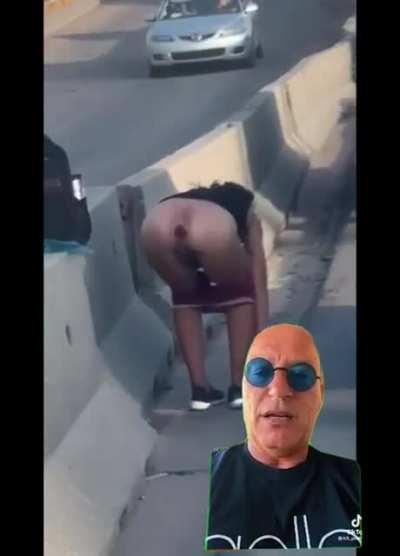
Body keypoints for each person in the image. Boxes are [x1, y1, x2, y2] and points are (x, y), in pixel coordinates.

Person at [206, 324, 361, 550]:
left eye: (301, 376)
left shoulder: (352, 484)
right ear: (244, 389)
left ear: (320, 394)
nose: (279, 390)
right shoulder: (204, 486)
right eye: (260, 372)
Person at [140, 181, 269, 411]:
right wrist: (262, 334)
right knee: (241, 290)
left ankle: (200, 391)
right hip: (209, 226)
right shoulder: (247, 208)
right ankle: (239, 387)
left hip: (156, 224)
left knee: (185, 296)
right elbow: (259, 277)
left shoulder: (190, 197)